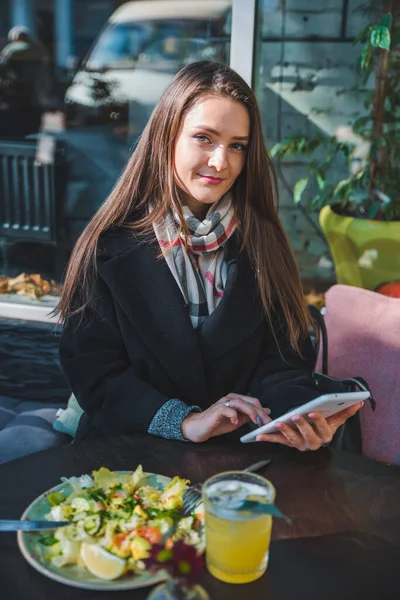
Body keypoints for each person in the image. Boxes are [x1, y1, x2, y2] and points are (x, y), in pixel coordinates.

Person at [57, 61, 362, 450]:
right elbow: (95, 373)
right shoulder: (107, 245)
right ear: (167, 137)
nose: (221, 161)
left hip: (238, 459)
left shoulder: (263, 243)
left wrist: (298, 416)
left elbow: (283, 362)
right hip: (129, 456)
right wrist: (183, 421)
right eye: (204, 138)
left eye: (237, 146)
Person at [0, 25, 51, 137]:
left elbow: (3, 68)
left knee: (13, 122)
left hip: (15, 93)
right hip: (36, 94)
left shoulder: (11, 49)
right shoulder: (39, 49)